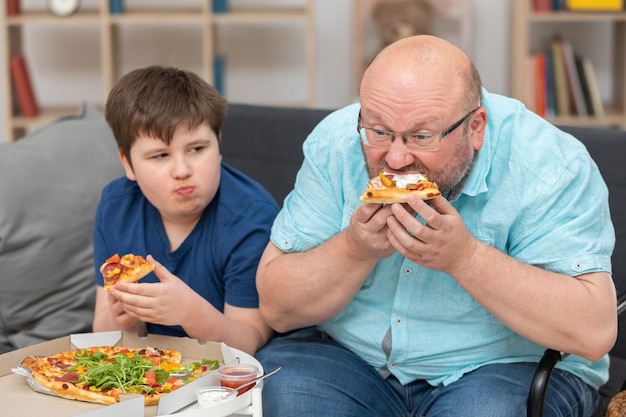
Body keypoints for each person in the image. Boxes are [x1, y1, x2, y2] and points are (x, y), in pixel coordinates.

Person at [255, 35, 617, 416]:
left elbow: (593, 334)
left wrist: (466, 259)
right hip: (351, 360)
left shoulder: (551, 165)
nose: (395, 159)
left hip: (505, 368)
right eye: (378, 131)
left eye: (421, 136)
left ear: (476, 127)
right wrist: (353, 249)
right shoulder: (336, 142)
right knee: (283, 392)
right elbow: (277, 308)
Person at [92, 65, 277, 355]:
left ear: (218, 143)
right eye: (161, 155)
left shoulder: (250, 216)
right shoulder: (117, 207)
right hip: (155, 367)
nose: (182, 170)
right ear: (127, 163)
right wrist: (125, 320)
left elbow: (251, 339)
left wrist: (189, 312)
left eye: (196, 149)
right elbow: (102, 332)